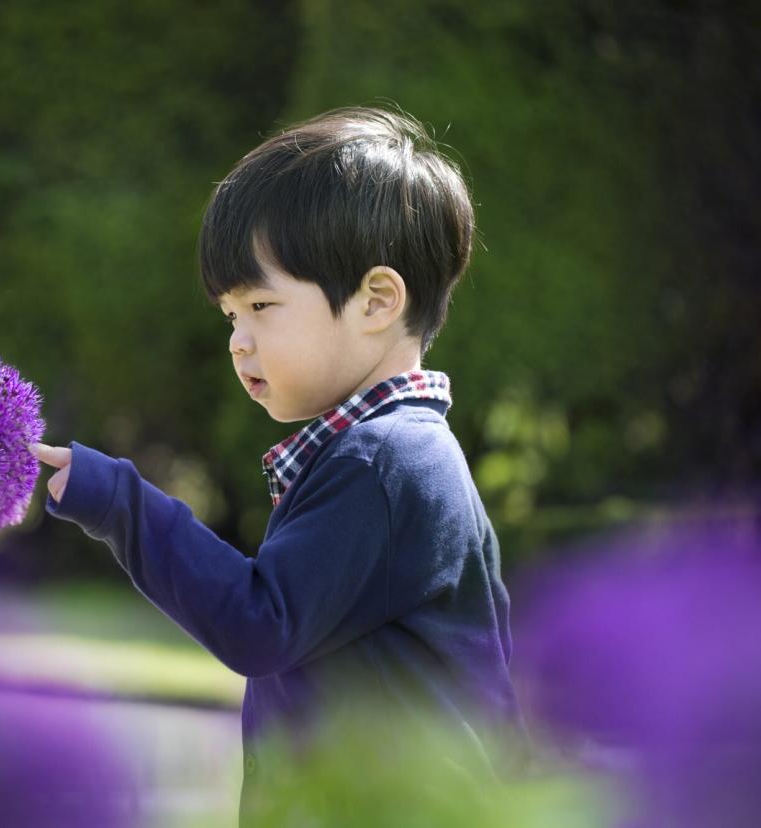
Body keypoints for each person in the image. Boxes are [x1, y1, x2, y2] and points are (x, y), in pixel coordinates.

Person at [30, 105, 522, 822]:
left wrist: (120, 503)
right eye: (231, 315)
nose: (239, 340)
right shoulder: (386, 448)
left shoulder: (384, 461)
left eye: (262, 304)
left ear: (376, 301)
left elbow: (261, 622)